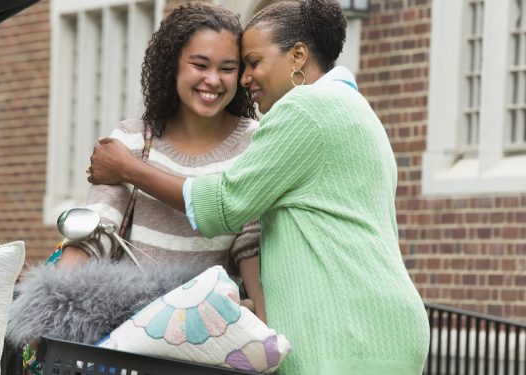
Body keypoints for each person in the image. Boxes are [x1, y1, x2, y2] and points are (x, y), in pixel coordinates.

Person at [86, 0, 430, 374]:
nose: (246, 79)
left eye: (253, 62)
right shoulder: (357, 110)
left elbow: (223, 204)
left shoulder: (305, 109)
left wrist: (127, 167)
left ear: (298, 55)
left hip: (340, 328)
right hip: (386, 325)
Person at [56, 4, 266, 317]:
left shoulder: (255, 141)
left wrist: (265, 330)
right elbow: (94, 231)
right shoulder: (131, 138)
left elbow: (249, 244)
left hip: (210, 331)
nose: (213, 80)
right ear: (173, 65)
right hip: (129, 329)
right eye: (200, 64)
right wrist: (54, 306)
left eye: (227, 68)